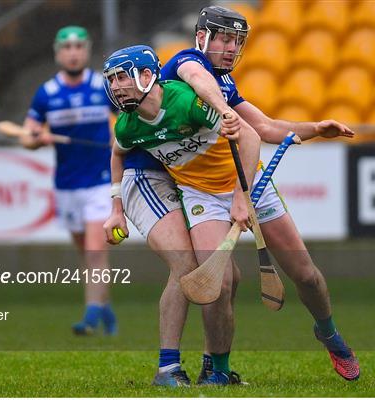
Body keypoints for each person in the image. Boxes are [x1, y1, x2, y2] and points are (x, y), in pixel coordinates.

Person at [161, 5, 360, 382]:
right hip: (201, 192)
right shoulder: (186, 63)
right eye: (223, 38)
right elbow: (195, 77)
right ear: (202, 37)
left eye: (237, 41)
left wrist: (316, 128)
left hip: (251, 185)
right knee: (217, 283)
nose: (231, 48)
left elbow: (266, 127)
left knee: (306, 275)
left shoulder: (226, 83)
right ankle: (218, 372)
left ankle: (329, 332)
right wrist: (221, 107)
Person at [103, 44, 260, 387]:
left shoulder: (187, 103)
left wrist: (239, 196)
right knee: (187, 266)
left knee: (226, 277)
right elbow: (117, 155)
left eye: (121, 78)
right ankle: (168, 369)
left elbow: (248, 132)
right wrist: (116, 209)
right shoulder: (127, 124)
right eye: (111, 80)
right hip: (144, 181)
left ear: (147, 76)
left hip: (182, 182)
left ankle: (214, 366)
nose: (115, 87)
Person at [20, 25, 117, 336]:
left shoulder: (104, 86)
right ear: (58, 53)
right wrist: (37, 138)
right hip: (67, 184)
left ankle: (89, 316)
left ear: (86, 51)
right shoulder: (47, 93)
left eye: (78, 46)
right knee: (85, 252)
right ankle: (105, 306)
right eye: (67, 47)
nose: (73, 52)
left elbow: (125, 119)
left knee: (94, 250)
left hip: (101, 180)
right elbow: (27, 136)